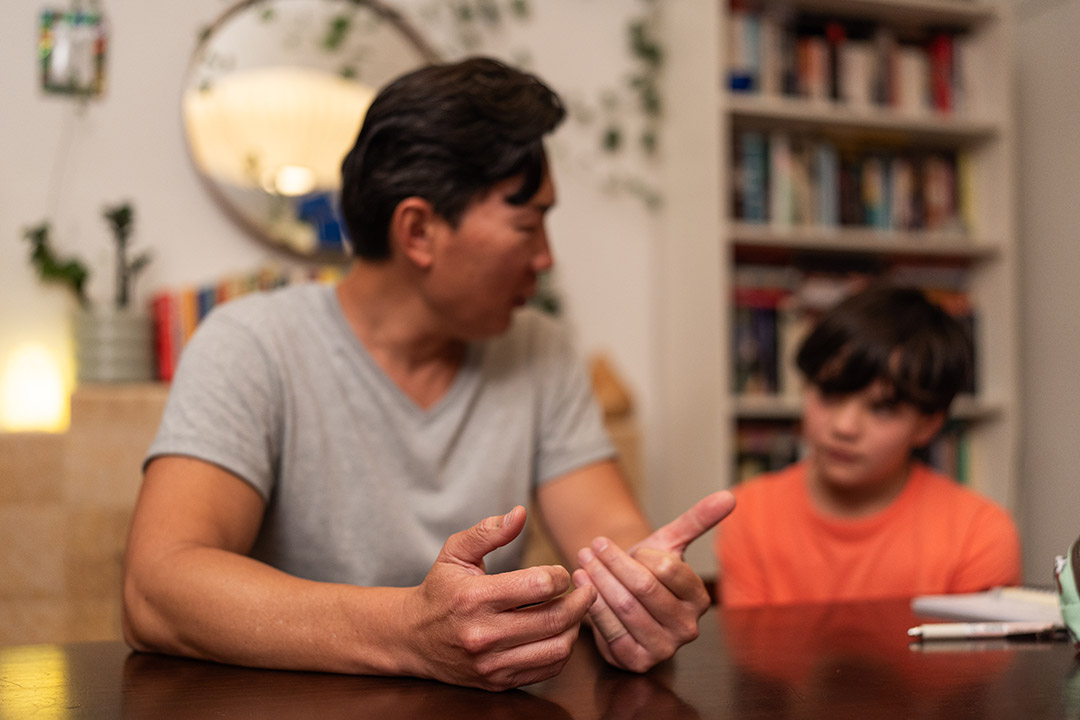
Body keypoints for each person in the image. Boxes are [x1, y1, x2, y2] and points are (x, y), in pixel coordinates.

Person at [121, 56, 735, 691]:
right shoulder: (250, 344)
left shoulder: (539, 350)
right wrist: (410, 631)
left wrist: (644, 597)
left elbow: (614, 546)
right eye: (528, 225)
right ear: (418, 230)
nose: (546, 258)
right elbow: (157, 589)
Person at [716, 283, 1021, 608]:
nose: (844, 427)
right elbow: (751, 658)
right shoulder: (749, 514)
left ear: (928, 424)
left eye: (882, 408)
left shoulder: (979, 534)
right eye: (830, 394)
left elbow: (976, 658)